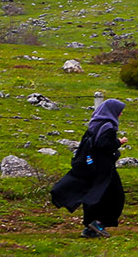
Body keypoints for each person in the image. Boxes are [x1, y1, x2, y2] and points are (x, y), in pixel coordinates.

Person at [50, 98, 128, 238]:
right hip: (105, 168)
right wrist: (118, 142)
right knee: (116, 196)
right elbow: (103, 145)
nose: (121, 114)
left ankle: (89, 228)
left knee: (94, 195)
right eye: (119, 111)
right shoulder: (108, 126)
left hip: (92, 166)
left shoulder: (95, 123)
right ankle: (99, 223)